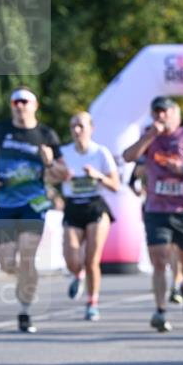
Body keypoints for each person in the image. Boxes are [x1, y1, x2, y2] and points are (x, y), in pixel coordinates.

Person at [0, 87, 67, 334]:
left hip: (33, 205)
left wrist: (48, 162)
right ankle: (26, 277)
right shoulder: (0, 130)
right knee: (6, 263)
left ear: (34, 105)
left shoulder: (46, 135)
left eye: (24, 101)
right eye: (15, 101)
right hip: (4, 204)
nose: (20, 105)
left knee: (27, 254)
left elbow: (63, 174)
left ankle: (24, 311)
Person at [122, 96, 183, 332]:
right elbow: (127, 157)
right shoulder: (148, 136)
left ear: (176, 115)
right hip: (156, 208)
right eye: (156, 112)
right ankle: (160, 310)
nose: (160, 116)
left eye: (164, 112)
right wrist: (150, 136)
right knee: (159, 260)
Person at [61, 111, 120, 320]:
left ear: (91, 129)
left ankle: (92, 303)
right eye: (73, 127)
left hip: (95, 206)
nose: (77, 130)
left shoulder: (100, 153)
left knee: (91, 259)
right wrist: (58, 174)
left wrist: (98, 176)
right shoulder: (64, 152)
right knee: (71, 259)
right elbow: (49, 177)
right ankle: (77, 274)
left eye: (81, 126)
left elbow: (116, 185)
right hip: (73, 206)